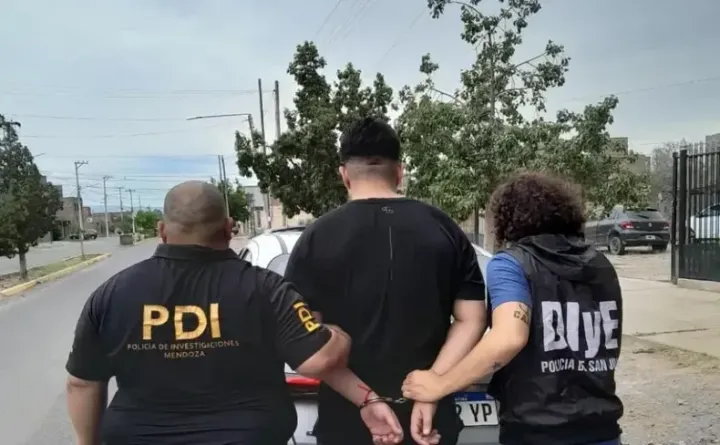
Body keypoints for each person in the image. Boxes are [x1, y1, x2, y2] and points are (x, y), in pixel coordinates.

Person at [65, 180, 359, 445]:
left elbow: (81, 382)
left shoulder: (112, 294)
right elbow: (319, 359)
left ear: (162, 231)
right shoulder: (267, 289)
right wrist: (338, 334)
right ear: (229, 228)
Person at [284, 117, 487, 445]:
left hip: (346, 422)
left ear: (344, 174)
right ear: (400, 172)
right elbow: (472, 319)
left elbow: (304, 340)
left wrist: (365, 398)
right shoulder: (445, 229)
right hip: (431, 421)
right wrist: (432, 386)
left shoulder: (315, 237)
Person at [402, 172, 624, 445]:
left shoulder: (511, 264)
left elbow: (509, 337)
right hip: (603, 429)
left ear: (507, 218)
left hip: (537, 431)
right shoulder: (600, 263)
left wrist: (439, 385)